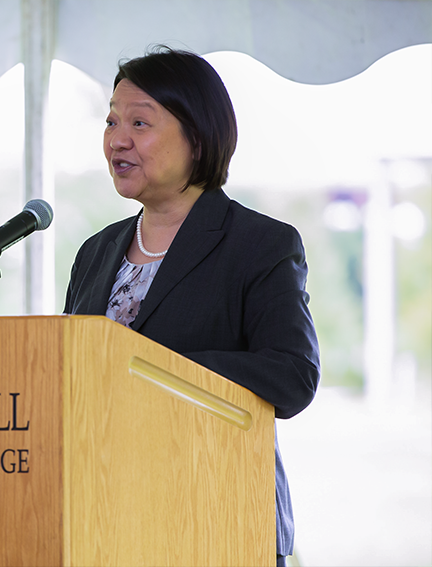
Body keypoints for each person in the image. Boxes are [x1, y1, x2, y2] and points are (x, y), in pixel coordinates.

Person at [63, 46, 320, 567]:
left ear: (197, 137)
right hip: (108, 518)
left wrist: (152, 369)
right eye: (111, 121)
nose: (117, 139)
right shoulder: (95, 252)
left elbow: (293, 377)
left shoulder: (260, 244)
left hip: (217, 514)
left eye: (140, 122)